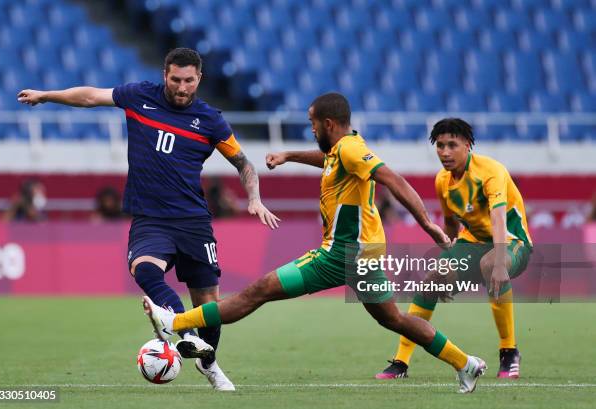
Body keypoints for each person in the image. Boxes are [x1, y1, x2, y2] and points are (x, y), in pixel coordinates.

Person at [142, 93, 486, 394]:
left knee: (258, 290)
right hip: (364, 254)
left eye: (313, 124)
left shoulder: (352, 149)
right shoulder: (342, 149)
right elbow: (328, 159)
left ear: (329, 123)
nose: (311, 130)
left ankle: (176, 323)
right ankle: (465, 363)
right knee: (394, 318)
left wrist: (427, 224)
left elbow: (391, 177)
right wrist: (289, 155)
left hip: (341, 254)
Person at [18, 48, 280, 391]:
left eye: (189, 80)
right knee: (143, 268)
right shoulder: (139, 96)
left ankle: (210, 365)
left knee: (209, 307)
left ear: (199, 78)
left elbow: (243, 163)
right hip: (151, 218)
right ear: (164, 75)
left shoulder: (211, 120)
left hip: (193, 222)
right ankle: (183, 332)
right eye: (176, 80)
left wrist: (254, 198)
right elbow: (91, 96)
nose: (182, 88)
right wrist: (48, 95)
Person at [376, 118, 531, 380]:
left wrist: (501, 260)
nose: (445, 152)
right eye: (440, 146)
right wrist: (444, 267)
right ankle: (401, 362)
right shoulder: (442, 181)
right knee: (429, 284)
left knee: (491, 264)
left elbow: (498, 219)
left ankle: (509, 351)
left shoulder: (491, 171)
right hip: (471, 243)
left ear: (468, 145)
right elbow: (450, 225)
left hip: (512, 242)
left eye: (452, 145)